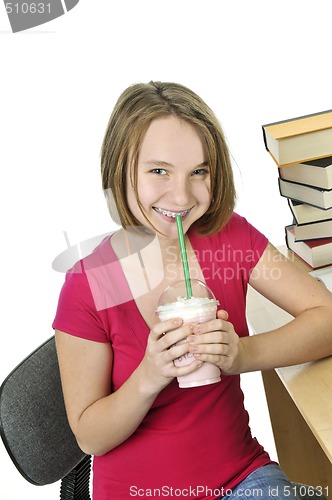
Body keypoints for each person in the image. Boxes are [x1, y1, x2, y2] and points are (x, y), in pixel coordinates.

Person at [53, 81, 332, 499]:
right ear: (119, 169)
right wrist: (149, 375)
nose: (181, 196)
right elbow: (90, 437)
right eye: (158, 170)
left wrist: (241, 354)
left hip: (241, 480)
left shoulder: (228, 239)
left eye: (198, 171)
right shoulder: (89, 285)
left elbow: (326, 318)